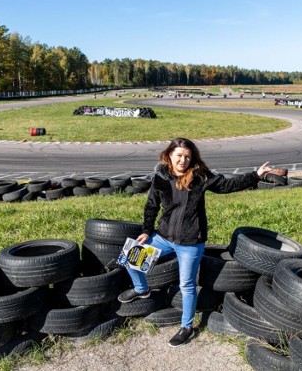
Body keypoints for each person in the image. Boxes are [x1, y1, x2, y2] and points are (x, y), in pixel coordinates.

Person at [117, 137, 275, 347]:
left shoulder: (199, 176)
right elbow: (151, 206)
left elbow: (227, 185)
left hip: (190, 243)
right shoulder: (161, 177)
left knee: (187, 285)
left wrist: (255, 175)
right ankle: (141, 289)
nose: (183, 160)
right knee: (130, 258)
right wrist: (147, 231)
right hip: (164, 238)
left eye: (187, 156)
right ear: (170, 156)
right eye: (179, 156)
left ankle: (186, 327)